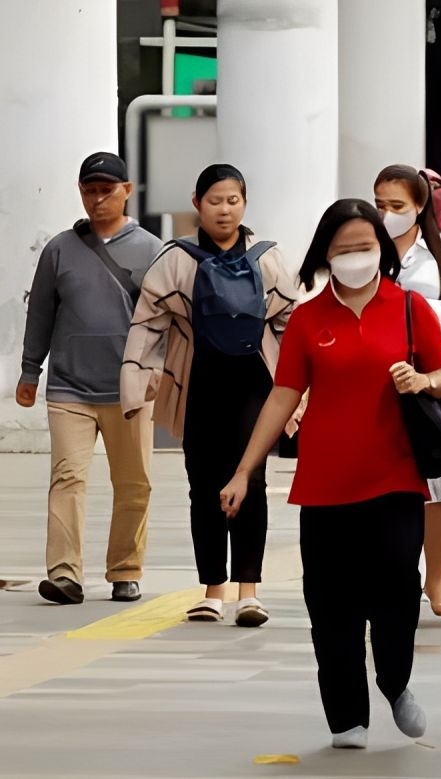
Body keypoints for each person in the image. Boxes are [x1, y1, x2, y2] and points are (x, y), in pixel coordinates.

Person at [219, 198, 441, 749]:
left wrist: (423, 382)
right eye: (344, 249)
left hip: (395, 479)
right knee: (330, 602)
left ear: (383, 250)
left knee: (397, 589)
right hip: (324, 485)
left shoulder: (412, 308)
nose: (355, 258)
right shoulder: (307, 318)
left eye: (364, 247)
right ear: (326, 253)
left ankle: (395, 682)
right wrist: (243, 470)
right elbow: (282, 397)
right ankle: (347, 715)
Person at [121, 164, 299, 627]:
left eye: (233, 200)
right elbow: (148, 321)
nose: (224, 209)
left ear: (244, 204)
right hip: (198, 382)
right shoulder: (175, 258)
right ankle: (212, 591)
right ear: (197, 202)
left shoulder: (268, 257)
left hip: (255, 387)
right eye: (215, 200)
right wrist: (134, 384)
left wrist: (302, 392)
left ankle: (249, 592)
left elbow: (291, 323)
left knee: (251, 482)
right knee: (203, 485)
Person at [21, 152, 162, 606]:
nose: (98, 199)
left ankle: (126, 569)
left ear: (127, 190)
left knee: (134, 481)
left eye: (107, 190)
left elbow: (166, 318)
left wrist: (162, 371)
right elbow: (40, 311)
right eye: (89, 190)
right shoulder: (60, 248)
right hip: (69, 387)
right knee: (67, 478)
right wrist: (29, 370)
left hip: (129, 389)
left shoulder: (151, 249)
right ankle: (64, 574)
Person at [374, 164, 441, 617]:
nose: (387, 215)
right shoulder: (367, 248)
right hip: (375, 378)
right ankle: (391, 578)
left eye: (396, 206)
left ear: (419, 206)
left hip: (431, 377)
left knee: (440, 484)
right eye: (380, 205)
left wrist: (414, 310)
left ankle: (436, 582)